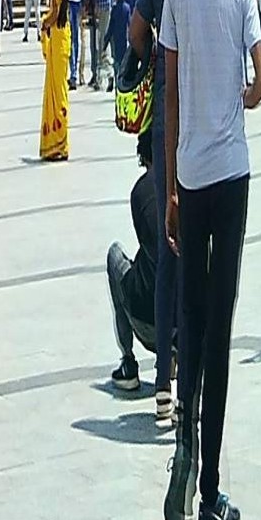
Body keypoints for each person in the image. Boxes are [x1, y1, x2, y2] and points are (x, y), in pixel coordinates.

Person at [161, 0, 261, 520]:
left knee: (193, 323)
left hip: (192, 177)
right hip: (232, 172)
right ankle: (213, 491)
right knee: (221, 327)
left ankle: (185, 440)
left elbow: (168, 89)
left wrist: (169, 184)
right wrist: (237, 89)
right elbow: (260, 83)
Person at [134, 0, 197, 427]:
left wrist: (152, 47)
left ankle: (161, 380)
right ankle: (192, 378)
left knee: (168, 241)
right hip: (201, 122)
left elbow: (134, 33)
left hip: (164, 129)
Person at [107, 164, 159, 390]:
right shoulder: (191, 185)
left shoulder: (142, 190)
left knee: (114, 254)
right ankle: (177, 362)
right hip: (184, 327)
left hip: (144, 320)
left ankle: (128, 362)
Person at [39, 0, 71, 162]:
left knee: (58, 91)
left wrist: (44, 21)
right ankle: (55, 143)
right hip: (61, 34)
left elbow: (56, 9)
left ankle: (60, 141)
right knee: (55, 87)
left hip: (59, 36)